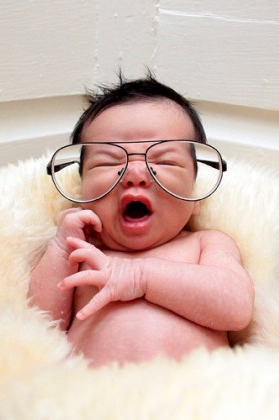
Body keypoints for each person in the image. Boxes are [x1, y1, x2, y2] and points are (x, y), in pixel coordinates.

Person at [28, 75, 254, 367]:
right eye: (109, 161)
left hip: (193, 391)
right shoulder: (82, 253)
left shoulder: (205, 243)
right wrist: (61, 247)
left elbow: (236, 307)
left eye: (165, 161)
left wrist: (141, 277)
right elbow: (37, 327)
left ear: (195, 197)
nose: (135, 174)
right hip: (93, 391)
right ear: (82, 194)